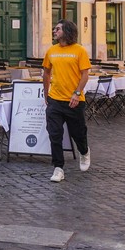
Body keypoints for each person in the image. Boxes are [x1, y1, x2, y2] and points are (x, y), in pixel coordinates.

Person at [40, 19, 92, 183]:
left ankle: (84, 151)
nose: (54, 31)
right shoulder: (51, 51)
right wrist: (46, 92)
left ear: (67, 31)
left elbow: (85, 74)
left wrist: (77, 93)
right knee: (54, 134)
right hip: (55, 99)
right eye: (55, 29)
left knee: (78, 133)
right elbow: (46, 72)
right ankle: (58, 168)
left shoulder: (79, 51)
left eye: (58, 29)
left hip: (74, 100)